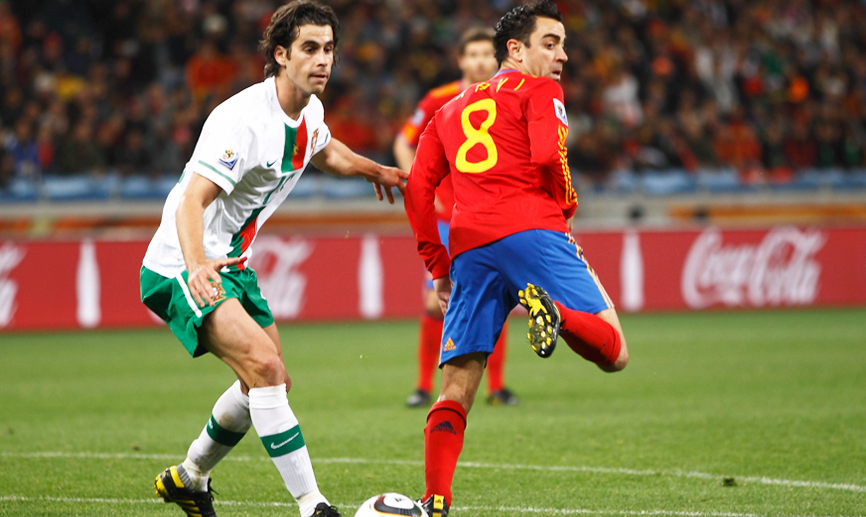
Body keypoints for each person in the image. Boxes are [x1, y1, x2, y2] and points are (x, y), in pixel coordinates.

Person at [140, 3, 407, 517]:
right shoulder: (241, 121)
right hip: (181, 263)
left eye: (329, 48)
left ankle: (190, 477)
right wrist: (196, 265)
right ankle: (313, 505)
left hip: (232, 264)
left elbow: (325, 152)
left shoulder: (309, 111)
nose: (323, 59)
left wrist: (377, 170)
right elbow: (193, 200)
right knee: (264, 367)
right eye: (310, 48)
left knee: (270, 381)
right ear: (281, 55)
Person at [403, 2, 630, 516]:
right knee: (615, 352)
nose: (562, 56)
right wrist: (565, 203)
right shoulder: (540, 90)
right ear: (516, 49)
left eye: (563, 44)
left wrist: (437, 265)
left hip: (469, 247)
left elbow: (417, 189)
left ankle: (435, 498)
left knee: (457, 385)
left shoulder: (448, 111)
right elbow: (550, 156)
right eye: (551, 43)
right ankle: (557, 313)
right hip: (531, 227)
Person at [394, 28, 518, 408]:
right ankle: (422, 385)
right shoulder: (440, 99)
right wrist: (420, 188)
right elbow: (403, 141)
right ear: (461, 60)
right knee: (437, 302)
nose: (480, 61)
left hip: (492, 217)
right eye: (473, 54)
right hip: (448, 219)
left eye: (486, 54)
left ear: (495, 60)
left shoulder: (510, 97)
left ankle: (496, 388)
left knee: (498, 298)